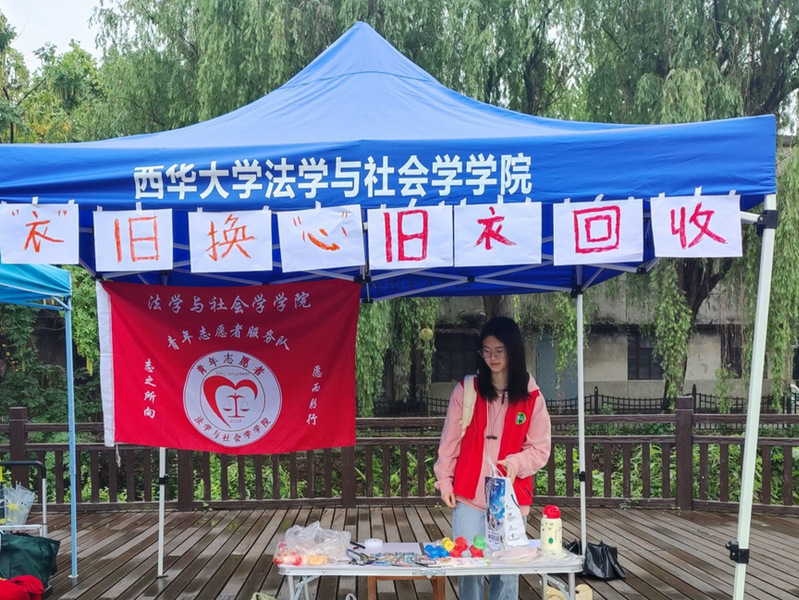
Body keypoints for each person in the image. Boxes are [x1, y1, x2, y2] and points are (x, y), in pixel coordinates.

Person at [434, 316, 551, 600]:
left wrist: (516, 463)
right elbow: (449, 442)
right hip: (469, 496)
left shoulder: (532, 397)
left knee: (507, 572)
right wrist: (444, 481)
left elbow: (540, 450)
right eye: (486, 351)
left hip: (510, 500)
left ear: (514, 351)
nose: (493, 357)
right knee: (468, 566)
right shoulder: (467, 391)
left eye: (500, 350)